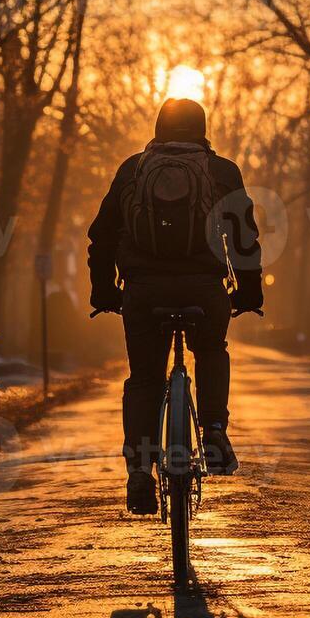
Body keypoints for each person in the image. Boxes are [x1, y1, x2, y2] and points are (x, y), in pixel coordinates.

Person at [87, 98, 263, 515]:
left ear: (159, 127)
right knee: (211, 350)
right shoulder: (222, 172)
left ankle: (138, 472)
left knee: (145, 377)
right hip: (205, 288)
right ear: (202, 128)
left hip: (144, 291)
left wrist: (104, 291)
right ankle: (215, 430)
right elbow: (243, 240)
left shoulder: (133, 169)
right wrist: (249, 293)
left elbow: (103, 237)